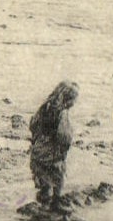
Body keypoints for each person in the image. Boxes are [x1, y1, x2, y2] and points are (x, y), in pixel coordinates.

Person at [28, 82, 79, 211]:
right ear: (68, 99)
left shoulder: (44, 107)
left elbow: (33, 124)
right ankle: (56, 202)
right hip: (52, 153)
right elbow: (64, 135)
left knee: (43, 180)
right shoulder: (62, 113)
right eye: (74, 99)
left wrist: (36, 139)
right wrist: (64, 148)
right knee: (58, 177)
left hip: (38, 151)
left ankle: (43, 202)